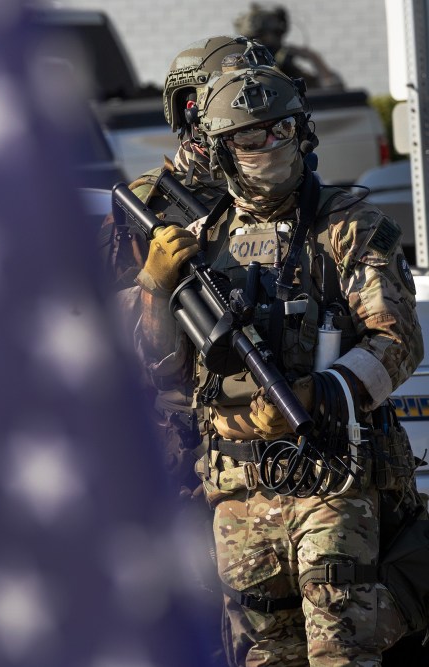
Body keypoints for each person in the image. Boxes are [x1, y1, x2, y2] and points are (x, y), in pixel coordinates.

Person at [135, 62, 423, 665]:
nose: (269, 147)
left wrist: (320, 391)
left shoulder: (349, 226)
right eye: (249, 137)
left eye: (281, 130)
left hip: (332, 478)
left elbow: (396, 341)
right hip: (237, 495)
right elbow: (156, 368)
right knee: (266, 656)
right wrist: (154, 290)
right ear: (219, 149)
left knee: (342, 651)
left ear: (304, 133)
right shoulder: (195, 239)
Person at [103, 36, 275, 500]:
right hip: (187, 446)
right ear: (192, 107)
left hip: (276, 431)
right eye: (232, 96)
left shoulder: (290, 195)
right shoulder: (145, 206)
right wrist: (153, 285)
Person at [233, 3, 344, 90]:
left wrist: (313, 57)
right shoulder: (239, 69)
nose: (261, 44)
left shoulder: (290, 70)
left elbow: (332, 90)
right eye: (255, 38)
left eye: (265, 37)